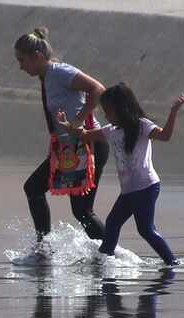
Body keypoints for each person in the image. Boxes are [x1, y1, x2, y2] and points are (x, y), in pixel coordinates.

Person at [56, 83, 184, 267]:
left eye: (109, 111)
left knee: (146, 230)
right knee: (112, 223)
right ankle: (104, 260)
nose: (106, 116)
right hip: (129, 191)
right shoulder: (111, 131)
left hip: (146, 187)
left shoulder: (142, 126)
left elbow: (165, 136)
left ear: (122, 109)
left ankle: (172, 263)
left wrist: (173, 112)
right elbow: (84, 135)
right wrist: (68, 126)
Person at [14, 28, 109, 243]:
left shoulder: (59, 72)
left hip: (89, 145)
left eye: (22, 60)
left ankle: (110, 254)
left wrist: (79, 120)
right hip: (69, 149)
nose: (20, 66)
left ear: (37, 57)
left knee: (83, 211)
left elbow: (98, 89)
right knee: (34, 188)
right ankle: (44, 246)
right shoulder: (46, 77)